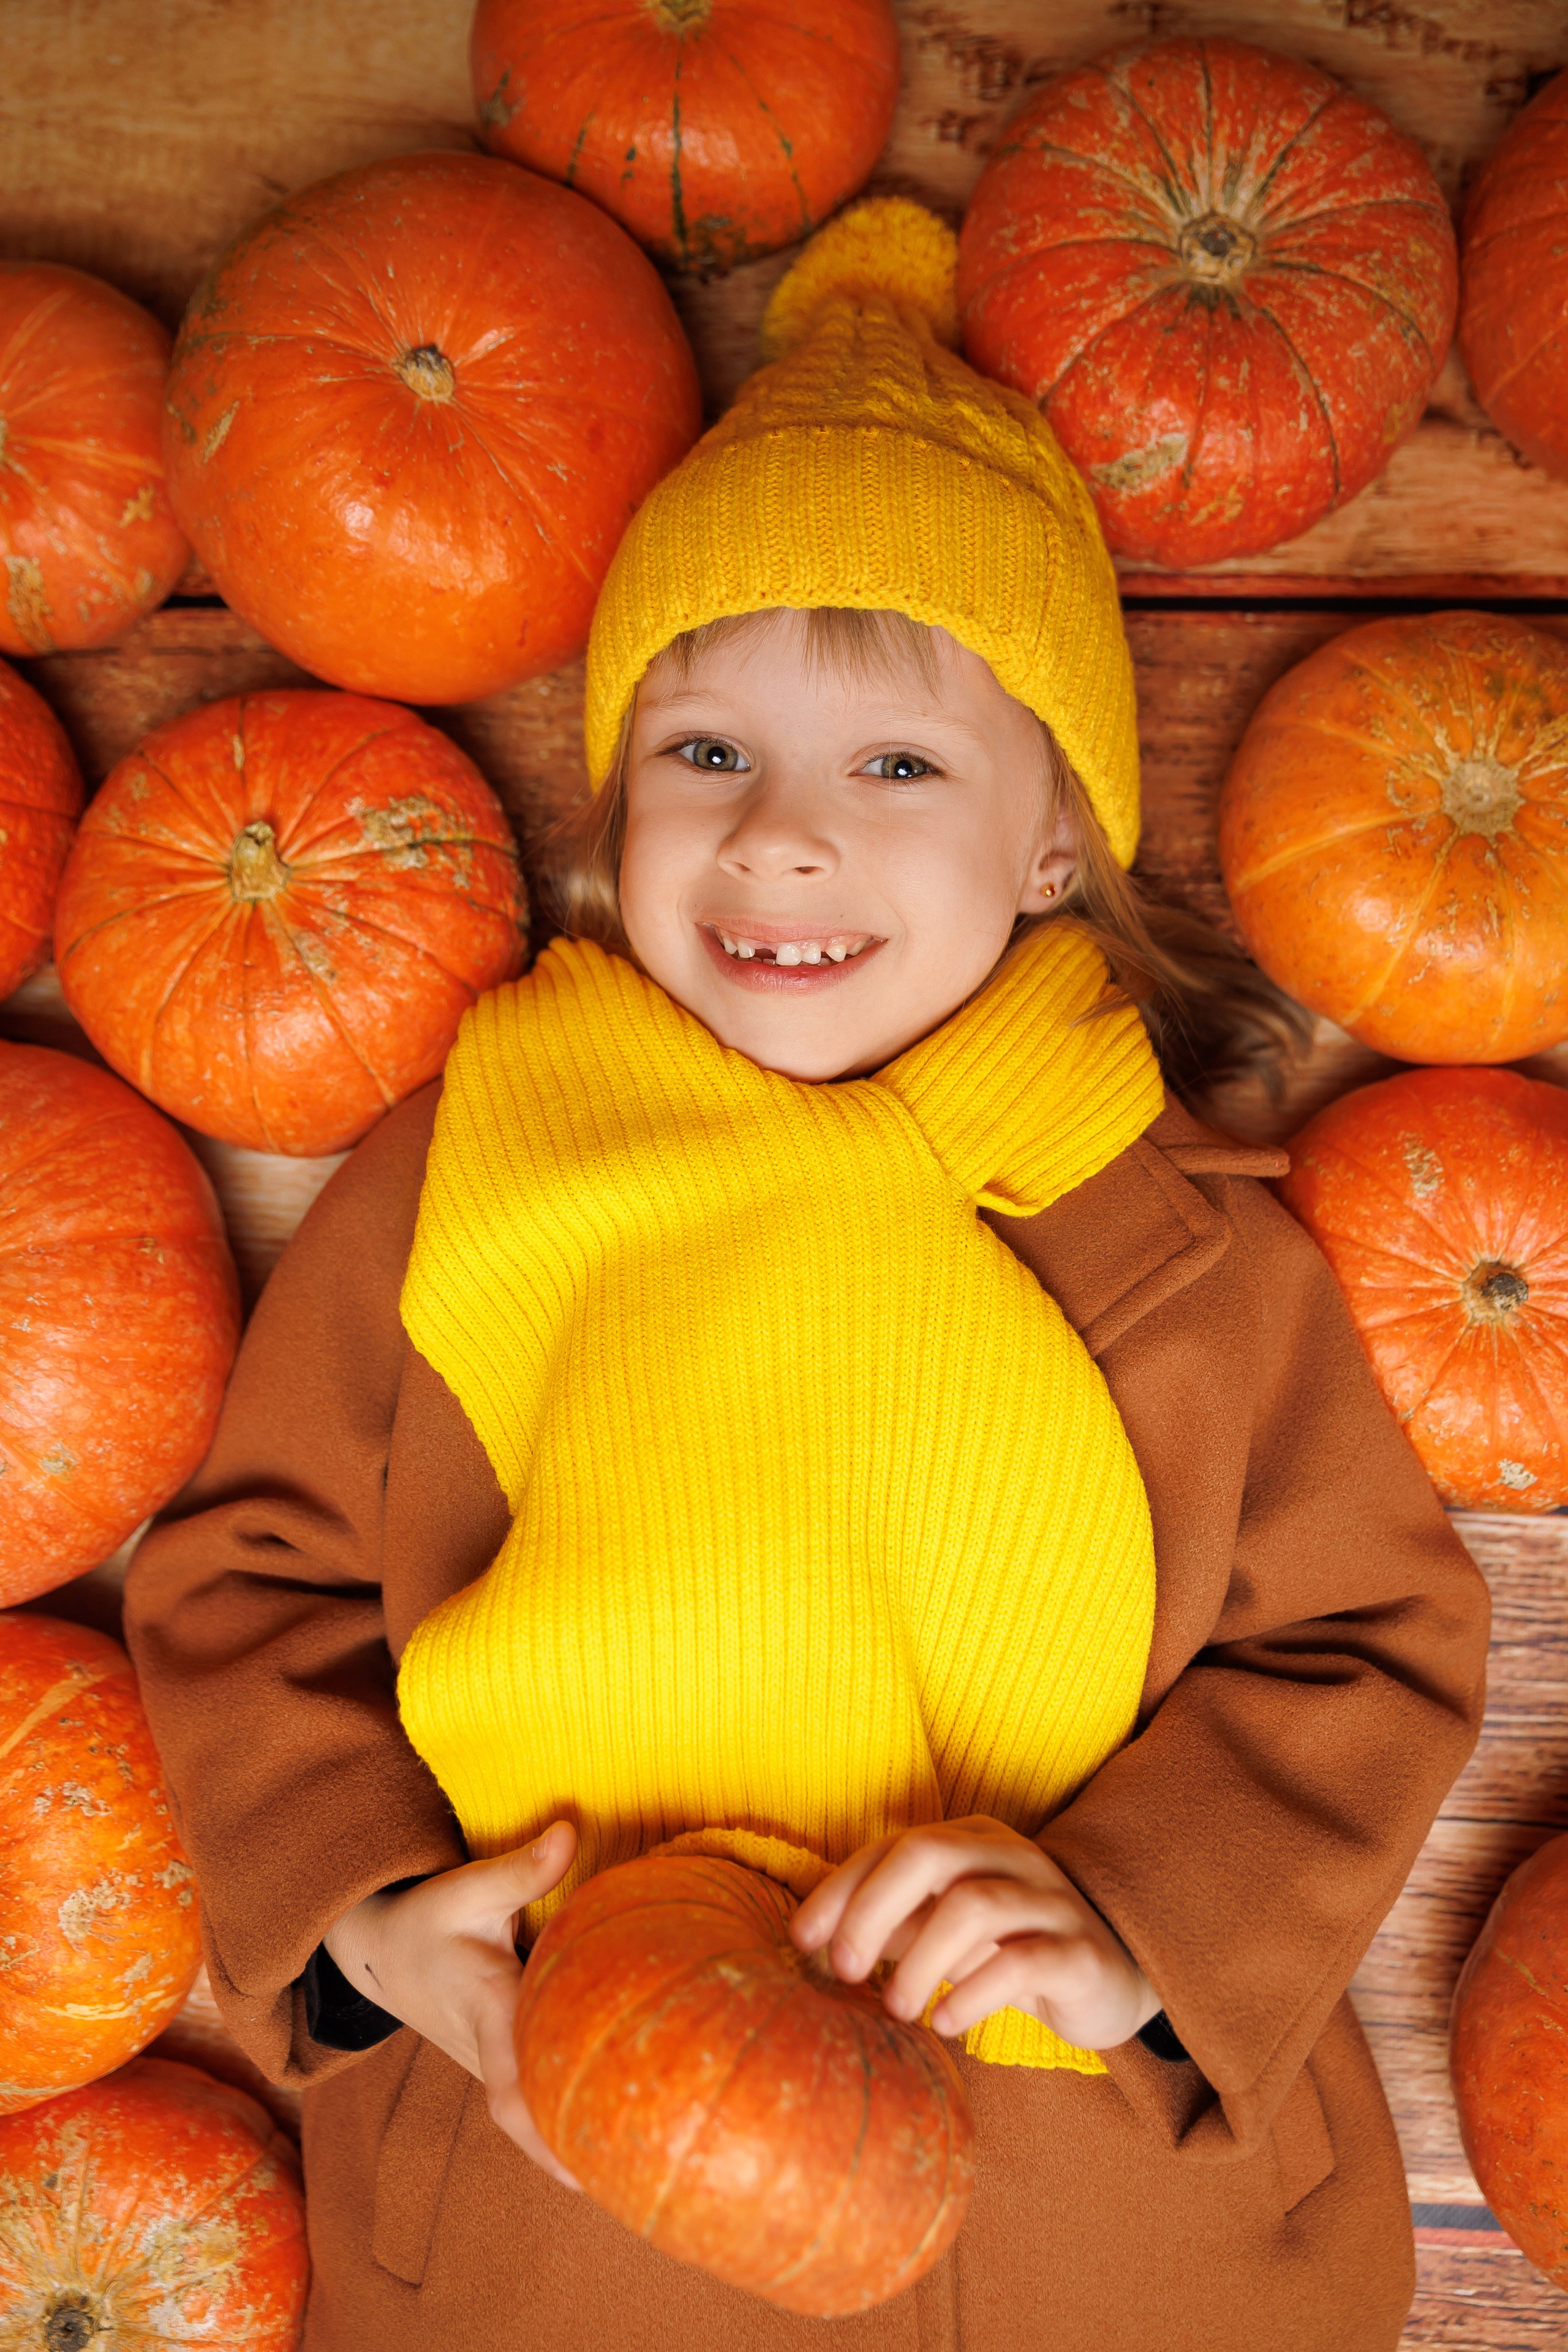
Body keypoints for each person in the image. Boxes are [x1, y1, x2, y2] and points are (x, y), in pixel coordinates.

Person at [125, 200, 1489, 2352]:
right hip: (563, 2169)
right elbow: (245, 1582)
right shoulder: (479, 1176)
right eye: (706, 754)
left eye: (895, 766)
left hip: (1094, 2219)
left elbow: (1369, 1636)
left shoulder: (1176, 1234)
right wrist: (370, 1915)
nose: (781, 834)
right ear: (610, 808)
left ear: (1054, 839)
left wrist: (1143, 1933)